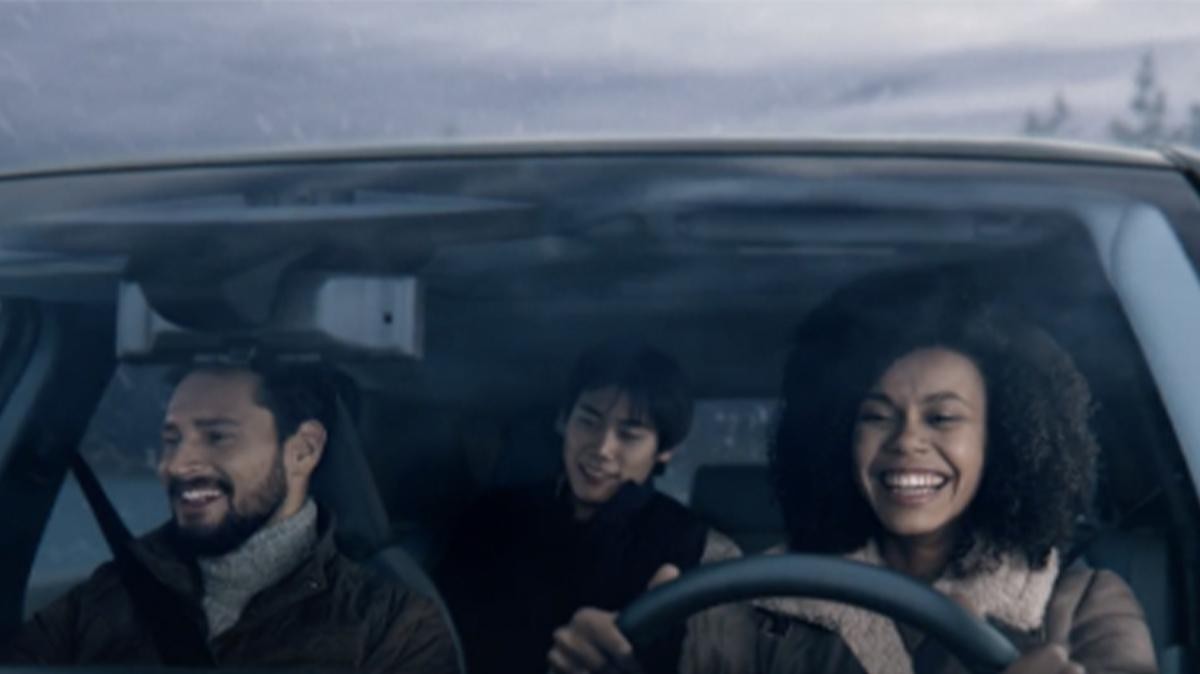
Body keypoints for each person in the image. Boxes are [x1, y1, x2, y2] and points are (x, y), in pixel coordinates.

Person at [547, 284, 1157, 674]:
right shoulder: (747, 606)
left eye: (942, 417)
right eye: (875, 416)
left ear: (1004, 439)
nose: (906, 442)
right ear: (838, 436)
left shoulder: (1081, 608)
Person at [4, 363, 459, 672]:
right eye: (172, 439)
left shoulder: (392, 624)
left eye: (217, 438)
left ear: (303, 450)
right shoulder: (106, 597)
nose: (178, 465)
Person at [437, 338, 739, 674]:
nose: (603, 448)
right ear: (563, 421)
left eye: (629, 434)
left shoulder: (686, 541)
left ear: (664, 449)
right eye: (589, 421)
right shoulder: (492, 518)